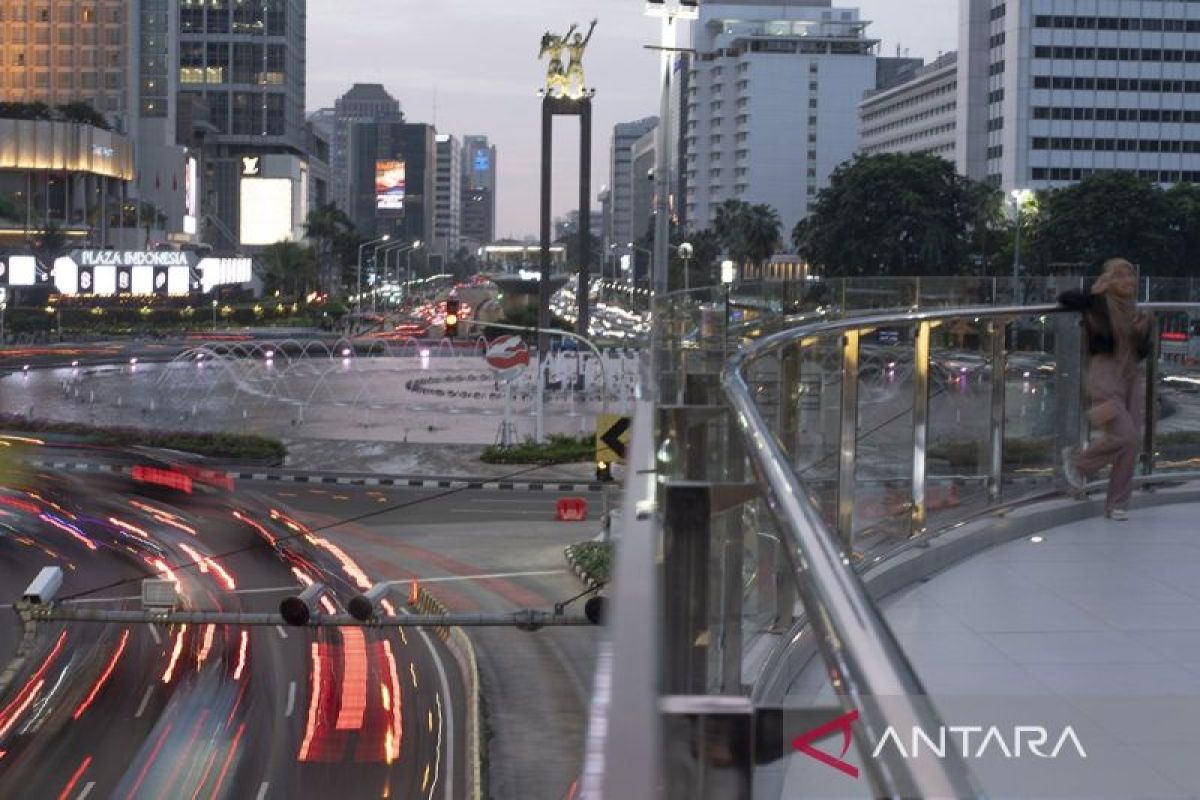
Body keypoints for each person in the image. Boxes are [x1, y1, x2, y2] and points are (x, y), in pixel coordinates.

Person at [1058, 258, 1152, 520]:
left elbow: (1142, 352)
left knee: (1130, 445)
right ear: (1109, 279)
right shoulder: (1098, 302)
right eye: (1119, 276)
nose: (1127, 282)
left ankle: (1117, 504)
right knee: (1125, 436)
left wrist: (1141, 330)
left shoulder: (1137, 311)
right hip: (1104, 376)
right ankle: (1078, 461)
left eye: (1130, 276)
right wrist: (1096, 289)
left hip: (1129, 376)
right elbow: (1065, 297)